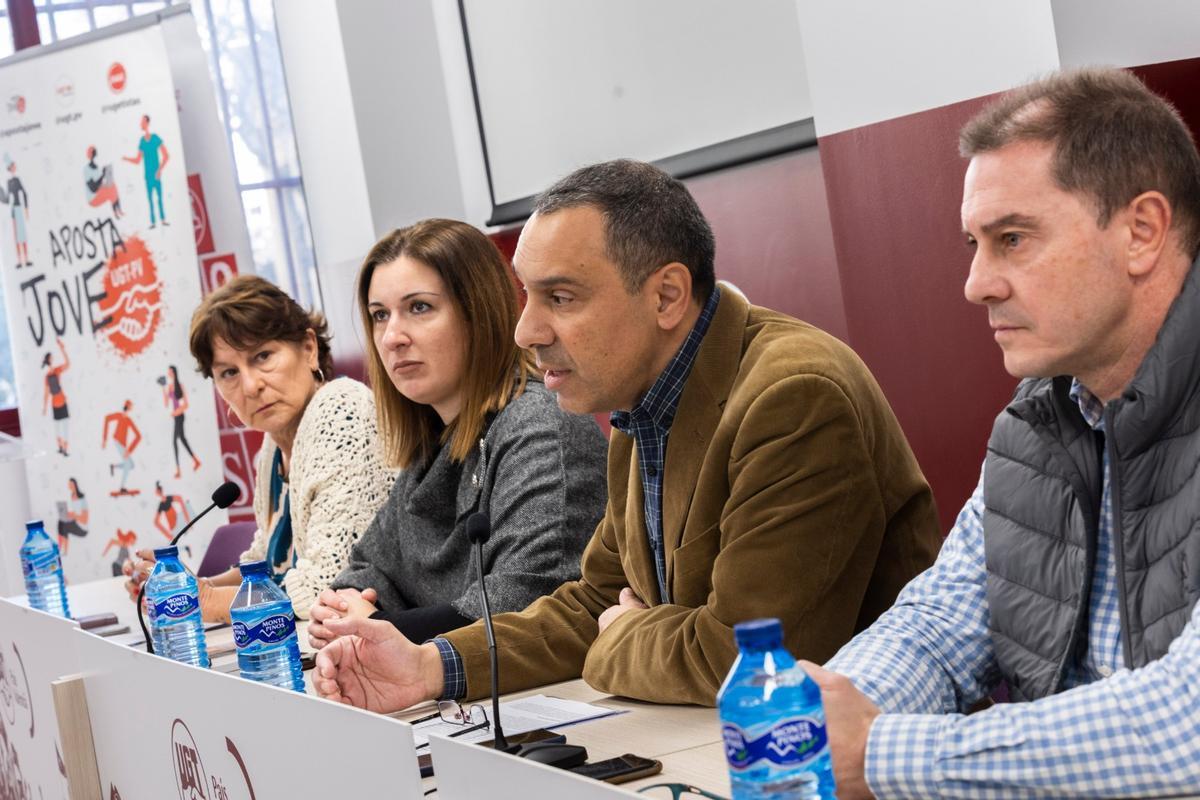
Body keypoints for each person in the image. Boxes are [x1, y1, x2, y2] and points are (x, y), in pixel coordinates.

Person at [313, 160, 940, 710]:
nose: (525, 331)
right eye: (527, 298)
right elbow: (593, 603)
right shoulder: (638, 403)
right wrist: (431, 667)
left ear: (666, 295)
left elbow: (743, 659)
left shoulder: (793, 397)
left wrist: (620, 636)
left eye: (559, 297)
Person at [800, 68, 1200, 800]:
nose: (977, 283)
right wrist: (827, 714)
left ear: (1142, 231)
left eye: (1012, 238)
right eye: (974, 244)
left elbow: (1187, 726)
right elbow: (938, 627)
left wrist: (881, 754)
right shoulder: (1036, 426)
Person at [306, 218, 607, 647]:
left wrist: (379, 626)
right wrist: (341, 609)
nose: (392, 337)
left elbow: (523, 605)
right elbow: (368, 568)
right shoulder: (437, 439)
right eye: (379, 315)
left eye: (420, 307)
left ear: (477, 312)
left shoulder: (540, 425)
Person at [125, 275, 395, 622]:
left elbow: (324, 591)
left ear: (309, 348)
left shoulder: (343, 412)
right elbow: (269, 565)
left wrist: (203, 600)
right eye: (228, 373)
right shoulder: (272, 449)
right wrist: (187, 586)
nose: (251, 386)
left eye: (263, 356)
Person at [122, 114, 168, 228]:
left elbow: (166, 155)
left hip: (156, 174)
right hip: (147, 176)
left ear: (147, 123)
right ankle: (153, 222)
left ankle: (163, 219)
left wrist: (160, 170)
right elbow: (138, 160)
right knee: (150, 200)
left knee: (159, 198)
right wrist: (127, 159)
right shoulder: (142, 141)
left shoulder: (155, 138)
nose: (141, 124)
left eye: (142, 122)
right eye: (140, 122)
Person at [161, 364, 201, 479]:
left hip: (180, 416)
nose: (169, 374)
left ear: (174, 373)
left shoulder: (180, 386)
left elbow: (186, 404)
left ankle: (179, 469)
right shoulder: (169, 387)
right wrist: (163, 388)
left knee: (176, 441)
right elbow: (166, 403)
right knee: (181, 439)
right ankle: (195, 461)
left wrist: (177, 412)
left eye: (170, 372)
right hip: (175, 417)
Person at [102, 400, 142, 496]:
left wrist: (129, 450)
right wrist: (104, 439)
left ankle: (114, 466)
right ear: (127, 407)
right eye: (131, 406)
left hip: (123, 445)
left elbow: (139, 436)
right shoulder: (119, 415)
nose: (132, 408)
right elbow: (107, 418)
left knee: (131, 465)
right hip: (117, 442)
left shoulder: (128, 420)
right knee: (128, 465)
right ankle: (122, 488)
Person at [41, 338, 70, 456]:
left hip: (59, 402)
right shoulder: (50, 374)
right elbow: (46, 393)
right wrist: (44, 407)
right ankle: (63, 448)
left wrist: (62, 348)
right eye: (51, 357)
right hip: (59, 403)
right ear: (49, 360)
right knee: (61, 428)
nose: (53, 359)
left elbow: (67, 364)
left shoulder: (53, 373)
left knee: (61, 427)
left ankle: (63, 448)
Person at [4, 154, 29, 268]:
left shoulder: (17, 180)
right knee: (16, 237)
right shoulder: (8, 183)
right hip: (14, 210)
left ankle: (26, 258)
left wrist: (26, 209)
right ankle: (20, 260)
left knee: (22, 235)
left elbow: (24, 193)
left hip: (19, 208)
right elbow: (7, 199)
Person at [84, 145, 122, 218]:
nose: (95, 157)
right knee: (112, 189)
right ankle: (116, 212)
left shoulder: (97, 168)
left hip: (98, 193)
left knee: (112, 185)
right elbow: (93, 189)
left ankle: (118, 210)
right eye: (94, 155)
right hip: (92, 199)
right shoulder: (87, 170)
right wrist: (103, 175)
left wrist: (106, 175)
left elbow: (100, 184)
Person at [57, 478, 88, 555]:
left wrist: (73, 515)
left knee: (64, 525)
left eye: (70, 484)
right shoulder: (72, 496)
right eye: (69, 484)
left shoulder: (82, 499)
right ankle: (61, 548)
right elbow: (76, 512)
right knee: (61, 521)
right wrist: (68, 514)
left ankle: (60, 548)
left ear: (75, 485)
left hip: (82, 528)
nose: (69, 486)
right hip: (75, 522)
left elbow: (84, 519)